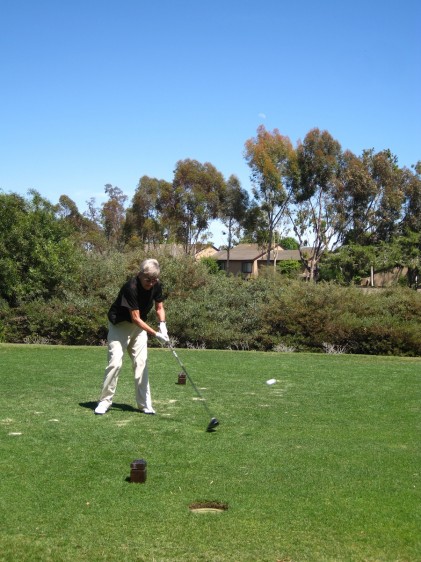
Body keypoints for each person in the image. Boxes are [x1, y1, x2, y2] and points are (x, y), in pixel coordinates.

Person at [94, 258, 169, 415]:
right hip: (120, 326)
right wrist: (155, 334)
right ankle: (105, 401)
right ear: (140, 274)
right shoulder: (131, 287)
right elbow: (135, 318)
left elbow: (159, 306)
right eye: (148, 279)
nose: (151, 283)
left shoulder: (156, 285)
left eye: (154, 279)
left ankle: (145, 404)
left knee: (141, 363)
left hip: (139, 328)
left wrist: (163, 325)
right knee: (115, 363)